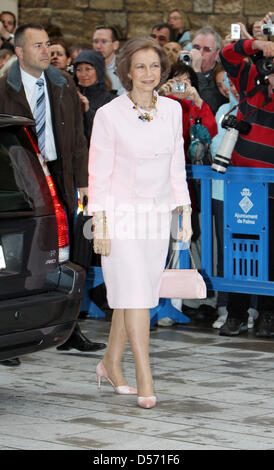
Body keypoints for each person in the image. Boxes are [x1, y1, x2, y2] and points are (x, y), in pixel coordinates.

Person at [88, 36, 192, 408]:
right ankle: (145, 375)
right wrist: (98, 223)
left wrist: (185, 210)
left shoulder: (173, 110)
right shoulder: (109, 114)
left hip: (157, 216)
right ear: (127, 71)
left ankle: (110, 363)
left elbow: (176, 166)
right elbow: (98, 173)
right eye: (141, 66)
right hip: (120, 216)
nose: (149, 74)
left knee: (136, 294)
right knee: (133, 294)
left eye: (154, 66)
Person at [0, 23, 105, 354]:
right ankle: (12, 329)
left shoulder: (62, 83)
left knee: (72, 250)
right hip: (22, 179)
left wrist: (85, 181)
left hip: (62, 175)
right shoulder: (4, 88)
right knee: (24, 254)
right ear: (19, 52)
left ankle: (68, 326)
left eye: (47, 45)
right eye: (37, 46)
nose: (46, 51)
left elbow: (77, 137)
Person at [217, 12, 274, 337]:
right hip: (244, 191)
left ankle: (268, 315)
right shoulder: (251, 87)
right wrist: (258, 44)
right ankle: (235, 314)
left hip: (273, 193)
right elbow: (228, 54)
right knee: (240, 253)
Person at [210, 73, 259, 330]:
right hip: (225, 192)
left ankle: (256, 308)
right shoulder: (222, 110)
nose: (235, 89)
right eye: (230, 84)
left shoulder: (262, 108)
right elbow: (215, 147)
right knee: (229, 252)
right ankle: (228, 308)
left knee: (257, 253)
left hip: (257, 193)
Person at [74, 49, 115, 145]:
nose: (83, 74)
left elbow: (105, 135)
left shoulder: (111, 100)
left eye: (88, 69)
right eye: (79, 70)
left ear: (98, 70)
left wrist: (88, 111)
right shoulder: (71, 97)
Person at [185, 26, 228, 114]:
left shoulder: (221, 76)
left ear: (217, 54)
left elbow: (211, 106)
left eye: (207, 49)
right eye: (196, 48)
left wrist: (197, 72)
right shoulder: (184, 72)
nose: (200, 53)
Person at [92, 25, 125, 95]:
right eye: (95, 41)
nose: (98, 46)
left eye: (104, 42)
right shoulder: (87, 67)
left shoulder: (125, 69)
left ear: (115, 45)